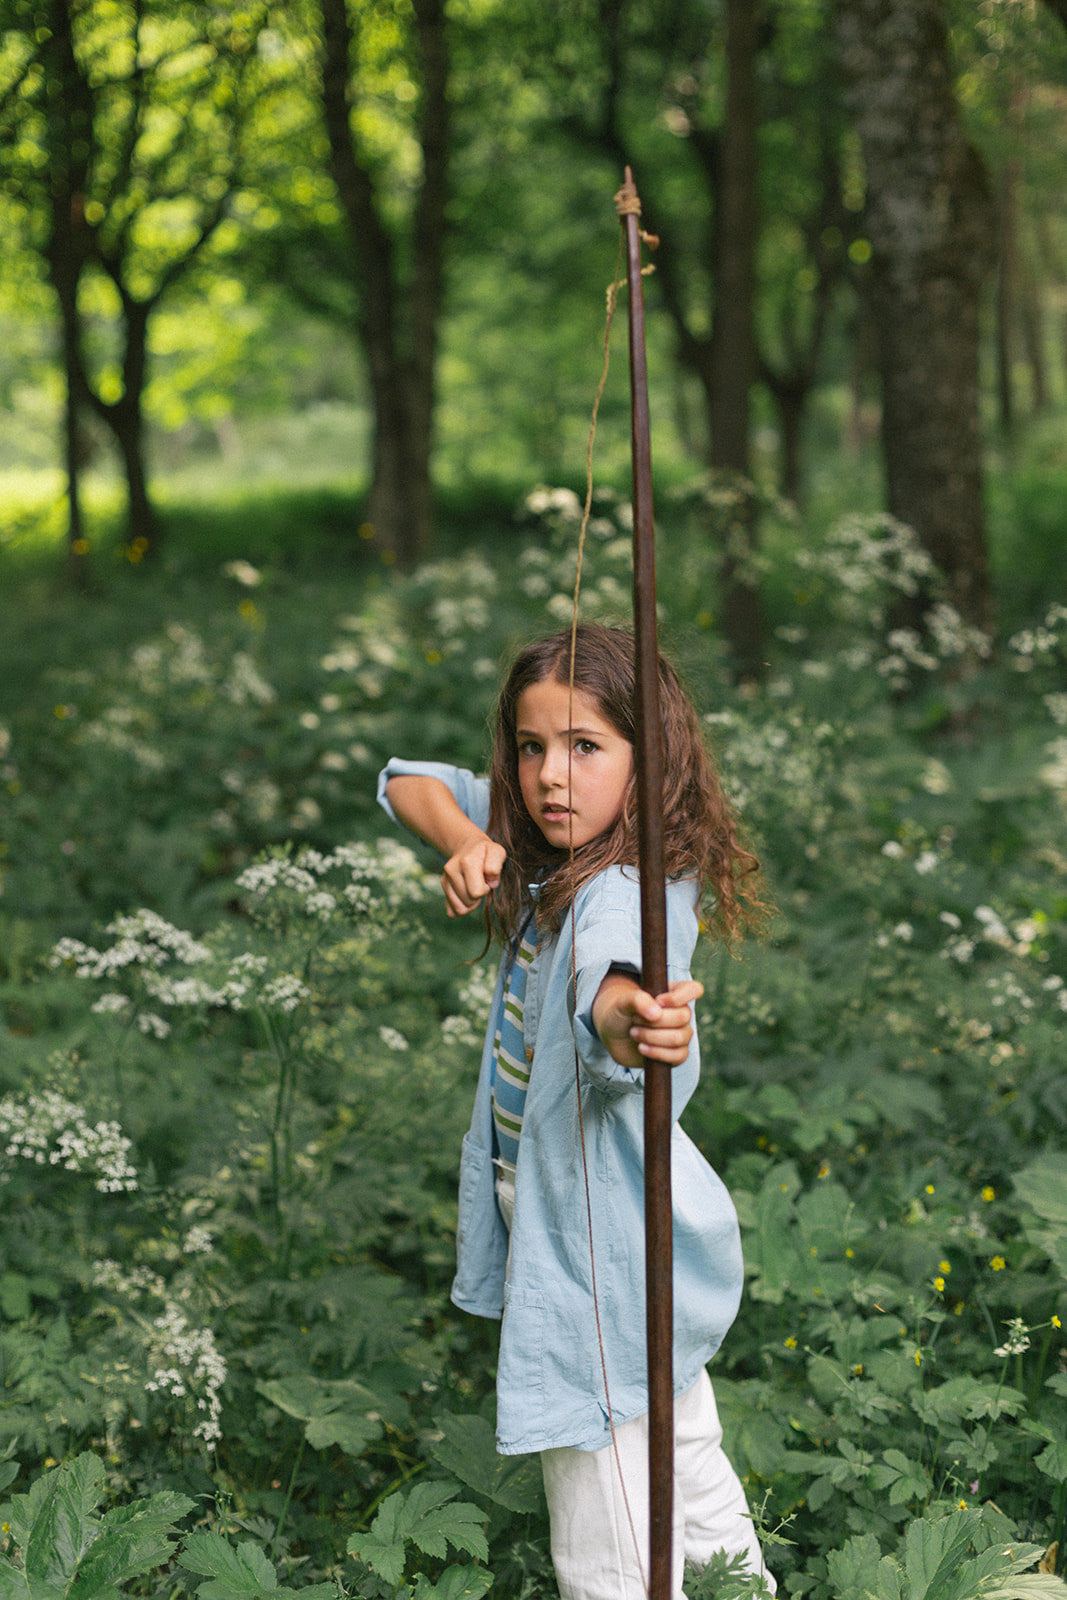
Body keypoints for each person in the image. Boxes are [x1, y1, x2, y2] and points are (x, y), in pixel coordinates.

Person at [377, 622, 774, 1600]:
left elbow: (613, 983)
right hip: (625, 1236)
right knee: (680, 1448)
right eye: (529, 746)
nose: (551, 774)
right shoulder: (540, 838)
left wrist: (629, 1028)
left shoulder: (623, 894)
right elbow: (405, 781)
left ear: (653, 759)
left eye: (585, 746)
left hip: (593, 1250)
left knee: (602, 1518)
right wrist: (470, 838)